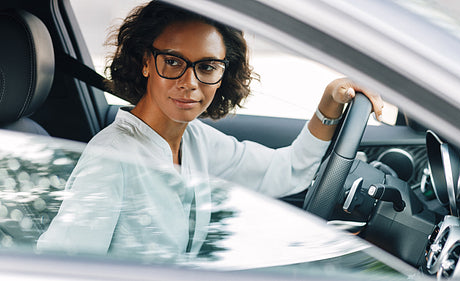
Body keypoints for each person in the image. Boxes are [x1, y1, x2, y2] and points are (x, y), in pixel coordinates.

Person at [37, 1, 383, 261]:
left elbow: (287, 171)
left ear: (222, 74)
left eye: (206, 67)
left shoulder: (195, 139)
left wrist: (329, 103)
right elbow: (62, 266)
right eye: (172, 62)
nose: (189, 83)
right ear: (145, 62)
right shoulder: (112, 158)